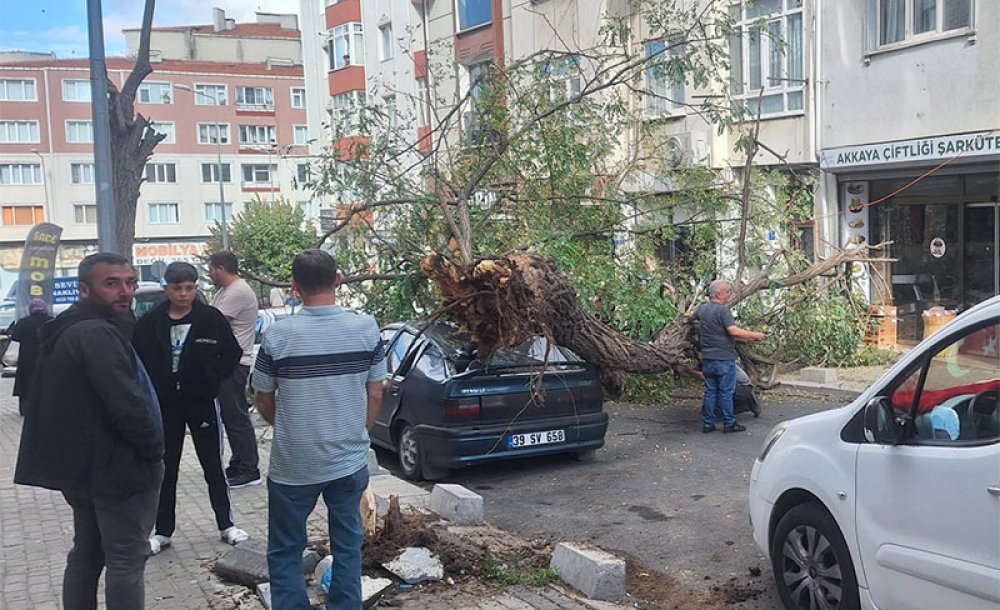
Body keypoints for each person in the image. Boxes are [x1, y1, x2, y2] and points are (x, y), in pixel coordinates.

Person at [14, 252, 165, 609]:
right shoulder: (95, 333)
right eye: (111, 283)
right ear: (84, 289)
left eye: (129, 282)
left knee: (88, 552)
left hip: (84, 469)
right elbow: (126, 403)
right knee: (126, 557)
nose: (124, 291)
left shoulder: (67, 328)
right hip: (115, 470)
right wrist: (154, 451)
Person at [253, 249, 387, 610]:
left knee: (285, 549)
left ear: (294, 286)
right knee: (348, 545)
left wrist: (286, 425)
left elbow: (262, 397)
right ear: (338, 281)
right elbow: (376, 391)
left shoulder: (278, 337)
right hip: (348, 460)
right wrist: (361, 431)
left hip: (294, 463)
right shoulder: (366, 328)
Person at [132, 262, 247, 555]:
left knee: (213, 466)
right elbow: (138, 363)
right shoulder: (150, 323)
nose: (184, 294)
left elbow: (232, 353)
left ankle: (226, 524)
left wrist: (210, 378)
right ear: (166, 289)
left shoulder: (211, 318)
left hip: (201, 402)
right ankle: (163, 531)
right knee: (165, 469)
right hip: (166, 406)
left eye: (189, 288)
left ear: (196, 287)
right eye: (177, 288)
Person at [208, 251, 262, 488]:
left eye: (211, 269)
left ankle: (249, 468)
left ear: (220, 268)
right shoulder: (225, 291)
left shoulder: (238, 291)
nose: (210, 273)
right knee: (230, 416)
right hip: (225, 362)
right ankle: (239, 461)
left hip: (235, 362)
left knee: (236, 416)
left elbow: (213, 322)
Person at [695, 279, 765, 434]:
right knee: (726, 392)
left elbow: (690, 315)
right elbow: (733, 331)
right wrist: (755, 335)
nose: (729, 294)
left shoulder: (702, 309)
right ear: (718, 293)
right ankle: (729, 423)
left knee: (710, 391)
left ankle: (708, 424)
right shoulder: (723, 311)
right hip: (723, 358)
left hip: (707, 358)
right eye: (727, 291)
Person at [9, 298, 53, 416]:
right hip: (46, 357)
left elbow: (15, 337)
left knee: (25, 383)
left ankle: (25, 408)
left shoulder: (24, 322)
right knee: (44, 382)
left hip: (26, 358)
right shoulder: (51, 322)